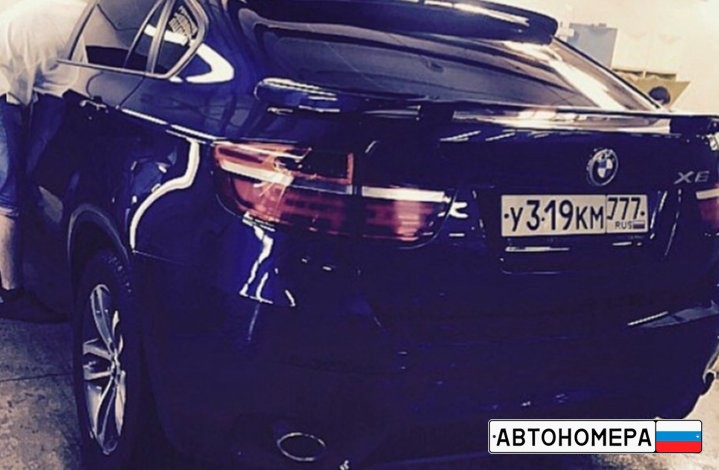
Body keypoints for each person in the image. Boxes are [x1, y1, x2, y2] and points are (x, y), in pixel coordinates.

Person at [0, 0, 86, 321]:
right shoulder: (83, 33)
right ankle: (10, 295)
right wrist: (27, 178)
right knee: (9, 200)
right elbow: (49, 116)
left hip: (8, 78)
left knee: (8, 189)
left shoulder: (60, 10)